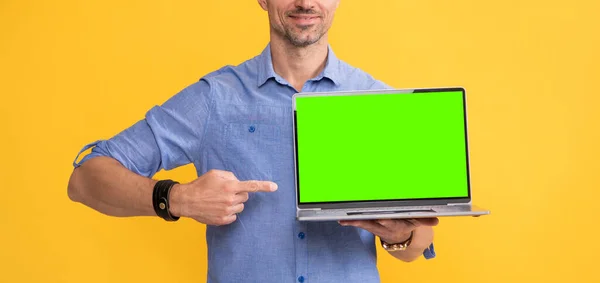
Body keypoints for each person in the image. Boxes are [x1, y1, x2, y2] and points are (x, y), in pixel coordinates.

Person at [67, 0, 439, 282]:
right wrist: (176, 198)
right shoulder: (214, 98)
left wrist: (400, 235)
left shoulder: (378, 102)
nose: (305, 2)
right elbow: (85, 178)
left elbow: (414, 247)